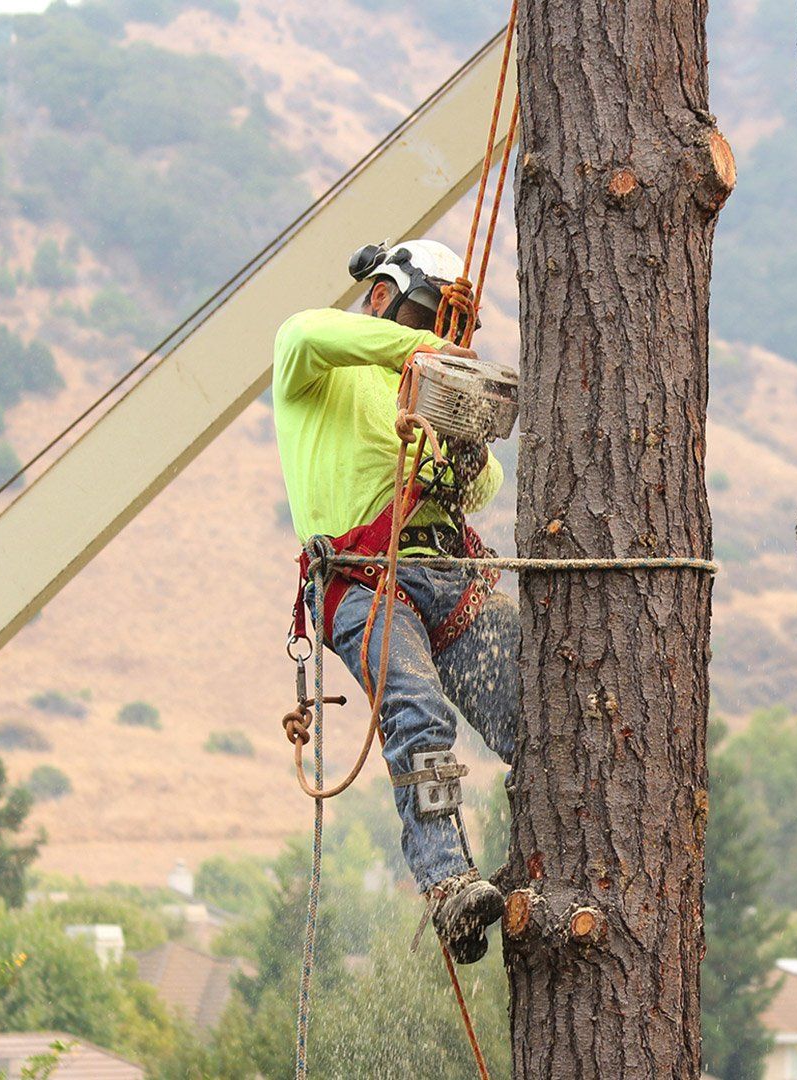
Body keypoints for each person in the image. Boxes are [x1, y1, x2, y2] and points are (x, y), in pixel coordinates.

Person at [272, 238, 514, 963]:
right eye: (426, 320)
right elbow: (309, 331)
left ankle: (554, 847)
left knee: (540, 709)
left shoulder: (425, 392)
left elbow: (485, 485)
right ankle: (448, 886)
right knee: (416, 707)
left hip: (446, 579)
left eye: (450, 329)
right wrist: (425, 353)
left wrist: (457, 437)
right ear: (384, 300)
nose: (439, 340)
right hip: (363, 583)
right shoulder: (316, 364)